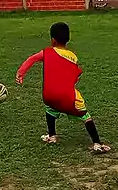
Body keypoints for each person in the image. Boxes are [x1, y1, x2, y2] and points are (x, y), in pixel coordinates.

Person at [16, 22, 110, 153]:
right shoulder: (73, 57)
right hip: (67, 96)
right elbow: (76, 74)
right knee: (85, 115)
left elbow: (32, 59)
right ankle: (97, 143)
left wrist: (20, 73)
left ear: (53, 40)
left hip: (48, 95)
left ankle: (51, 136)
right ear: (68, 39)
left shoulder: (46, 52)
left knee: (50, 108)